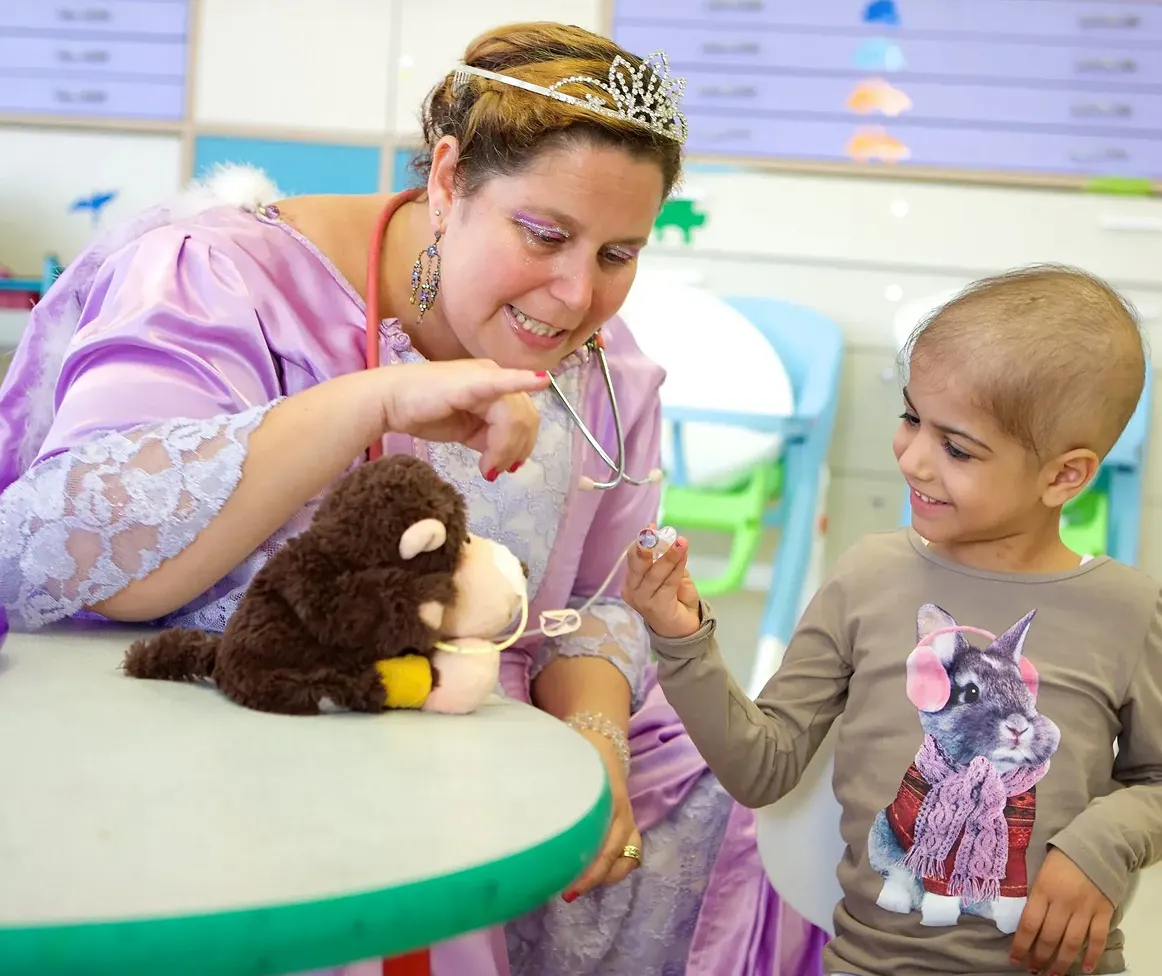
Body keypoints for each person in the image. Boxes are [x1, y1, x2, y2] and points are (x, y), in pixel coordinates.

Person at [0, 20, 829, 976]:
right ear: (446, 179)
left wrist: (597, 735)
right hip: (231, 712)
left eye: (618, 255)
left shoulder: (607, 369)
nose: (574, 298)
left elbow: (601, 605)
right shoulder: (223, 279)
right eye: (546, 234)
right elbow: (64, 550)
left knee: (785, 834)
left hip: (481, 723)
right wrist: (374, 399)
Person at [622, 266, 1162, 976]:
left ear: (1064, 476)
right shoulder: (866, 578)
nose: (912, 457)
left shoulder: (1124, 606)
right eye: (911, 418)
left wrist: (1098, 845)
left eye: (957, 448)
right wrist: (683, 640)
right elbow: (763, 766)